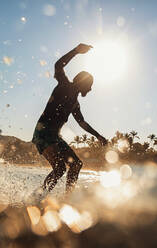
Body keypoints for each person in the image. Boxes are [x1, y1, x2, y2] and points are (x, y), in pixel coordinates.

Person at [32, 43, 107, 194]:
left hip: (54, 137)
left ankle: (68, 200)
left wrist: (98, 135)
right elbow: (58, 65)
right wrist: (76, 51)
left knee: (76, 164)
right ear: (83, 82)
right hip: (43, 134)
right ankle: (39, 196)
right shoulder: (64, 86)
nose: (90, 89)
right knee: (60, 169)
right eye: (89, 85)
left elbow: (82, 123)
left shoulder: (75, 104)